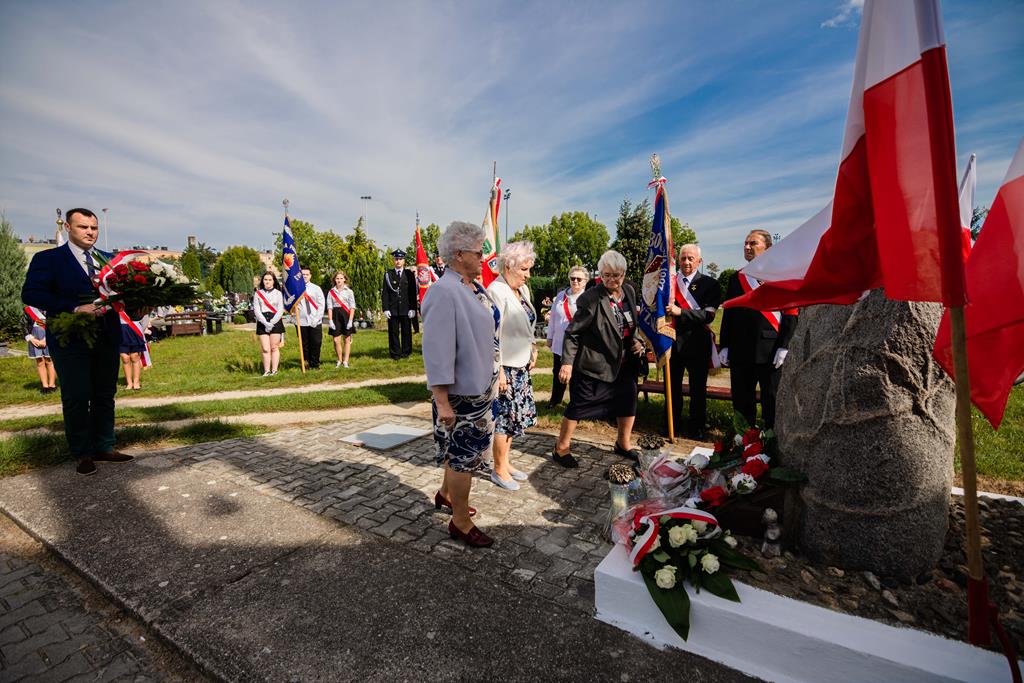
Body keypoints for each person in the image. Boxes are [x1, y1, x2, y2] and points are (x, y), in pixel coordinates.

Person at [21, 208, 134, 476]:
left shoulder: (108, 260)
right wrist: (73, 307)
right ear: (69, 228)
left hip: (106, 336)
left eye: (93, 228)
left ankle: (104, 446)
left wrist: (137, 304)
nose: (90, 232)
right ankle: (82, 452)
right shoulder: (49, 259)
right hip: (68, 338)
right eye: (83, 227)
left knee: (105, 394)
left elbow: (122, 292)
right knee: (77, 395)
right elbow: (31, 293)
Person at [421, 221, 500, 548]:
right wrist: (441, 401)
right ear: (457, 254)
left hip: (479, 389)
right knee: (463, 458)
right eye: (477, 252)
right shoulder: (444, 290)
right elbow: (436, 349)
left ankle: (445, 495)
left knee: (459, 454)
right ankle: (461, 522)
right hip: (459, 395)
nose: (483, 257)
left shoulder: (471, 286)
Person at [552, 250, 646, 467]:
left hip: (625, 363)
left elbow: (632, 324)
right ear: (600, 274)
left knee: (628, 401)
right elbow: (573, 333)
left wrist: (637, 340)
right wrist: (567, 363)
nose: (611, 280)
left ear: (624, 273)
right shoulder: (591, 298)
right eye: (606, 275)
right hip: (596, 363)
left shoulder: (629, 291)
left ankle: (623, 444)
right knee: (579, 405)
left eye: (616, 275)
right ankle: (561, 447)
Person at [718, 230, 798, 429]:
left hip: (770, 351)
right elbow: (729, 313)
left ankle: (770, 446)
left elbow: (790, 313)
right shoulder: (737, 278)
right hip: (740, 351)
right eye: (745, 243)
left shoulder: (780, 276)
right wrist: (725, 345)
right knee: (742, 402)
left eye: (752, 243)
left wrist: (784, 346)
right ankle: (743, 444)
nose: (747, 247)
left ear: (768, 248)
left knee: (771, 401)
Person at [486, 241, 539, 491]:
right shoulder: (496, 290)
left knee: (514, 418)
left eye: (529, 269)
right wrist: (501, 370)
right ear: (509, 266)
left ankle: (505, 462)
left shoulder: (522, 291)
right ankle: (497, 469)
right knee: (504, 419)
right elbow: (491, 334)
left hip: (521, 365)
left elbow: (528, 325)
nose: (528, 275)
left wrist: (533, 347)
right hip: (506, 367)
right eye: (525, 269)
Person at [667, 244, 721, 440]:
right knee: (672, 388)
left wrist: (680, 312)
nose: (687, 262)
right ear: (678, 260)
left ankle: (696, 427)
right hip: (672, 343)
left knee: (698, 390)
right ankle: (671, 424)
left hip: (697, 345)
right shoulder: (669, 283)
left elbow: (708, 315)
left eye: (691, 258)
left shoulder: (710, 284)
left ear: (699, 261)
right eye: (683, 258)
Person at [546, 266, 589, 408]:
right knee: (557, 373)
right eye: (572, 278)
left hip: (578, 344)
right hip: (559, 342)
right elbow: (552, 317)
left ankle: (575, 403)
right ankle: (555, 400)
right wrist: (549, 336)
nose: (575, 281)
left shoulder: (588, 298)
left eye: (579, 279)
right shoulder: (560, 296)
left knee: (576, 376)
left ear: (585, 281)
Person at [381, 249, 417, 359]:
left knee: (406, 332)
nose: (398, 261)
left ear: (404, 261)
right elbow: (385, 292)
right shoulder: (388, 274)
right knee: (393, 333)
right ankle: (395, 353)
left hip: (406, 308)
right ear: (393, 260)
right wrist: (385, 308)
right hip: (393, 308)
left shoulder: (409, 274)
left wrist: (413, 308)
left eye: (400, 259)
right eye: (396, 259)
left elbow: (412, 293)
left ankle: (406, 352)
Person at [253, 272, 285, 376]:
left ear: (274, 281)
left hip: (275, 320)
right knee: (265, 348)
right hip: (263, 321)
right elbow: (257, 310)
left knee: (274, 347)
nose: (267, 282)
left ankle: (274, 370)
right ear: (262, 281)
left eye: (270, 280)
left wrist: (272, 322)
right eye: (265, 279)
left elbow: (280, 310)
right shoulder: (258, 293)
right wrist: (265, 323)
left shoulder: (278, 293)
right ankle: (266, 371)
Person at [23, 306, 56, 394]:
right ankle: (45, 386)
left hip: (48, 336)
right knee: (40, 361)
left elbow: (54, 323)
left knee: (49, 360)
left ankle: (52, 385)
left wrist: (46, 339)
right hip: (34, 338)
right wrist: (31, 339)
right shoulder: (28, 309)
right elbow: (24, 324)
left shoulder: (48, 307)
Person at [326, 270, 357, 368]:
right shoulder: (331, 292)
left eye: (341, 278)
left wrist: (351, 320)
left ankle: (346, 361)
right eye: (337, 278)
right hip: (335, 316)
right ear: (334, 280)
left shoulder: (349, 291)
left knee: (347, 339)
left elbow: (352, 306)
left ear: (344, 280)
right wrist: (330, 320)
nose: (339, 280)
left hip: (346, 316)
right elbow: (329, 307)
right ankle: (339, 359)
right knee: (336, 340)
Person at [298, 266, 325, 370]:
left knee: (316, 342)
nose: (304, 276)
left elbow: (321, 304)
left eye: (306, 274)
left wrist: (317, 318)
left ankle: (315, 363)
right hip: (302, 320)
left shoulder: (316, 288)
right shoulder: (296, 289)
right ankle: (307, 363)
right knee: (304, 343)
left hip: (315, 320)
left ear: (310, 276)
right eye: (303, 274)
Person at [118, 309, 150, 390]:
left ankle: (136, 382)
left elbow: (145, 316)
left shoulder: (135, 301)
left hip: (134, 329)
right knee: (125, 358)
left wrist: (141, 330)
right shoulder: (115, 300)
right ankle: (129, 383)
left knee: (135, 356)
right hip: (120, 330)